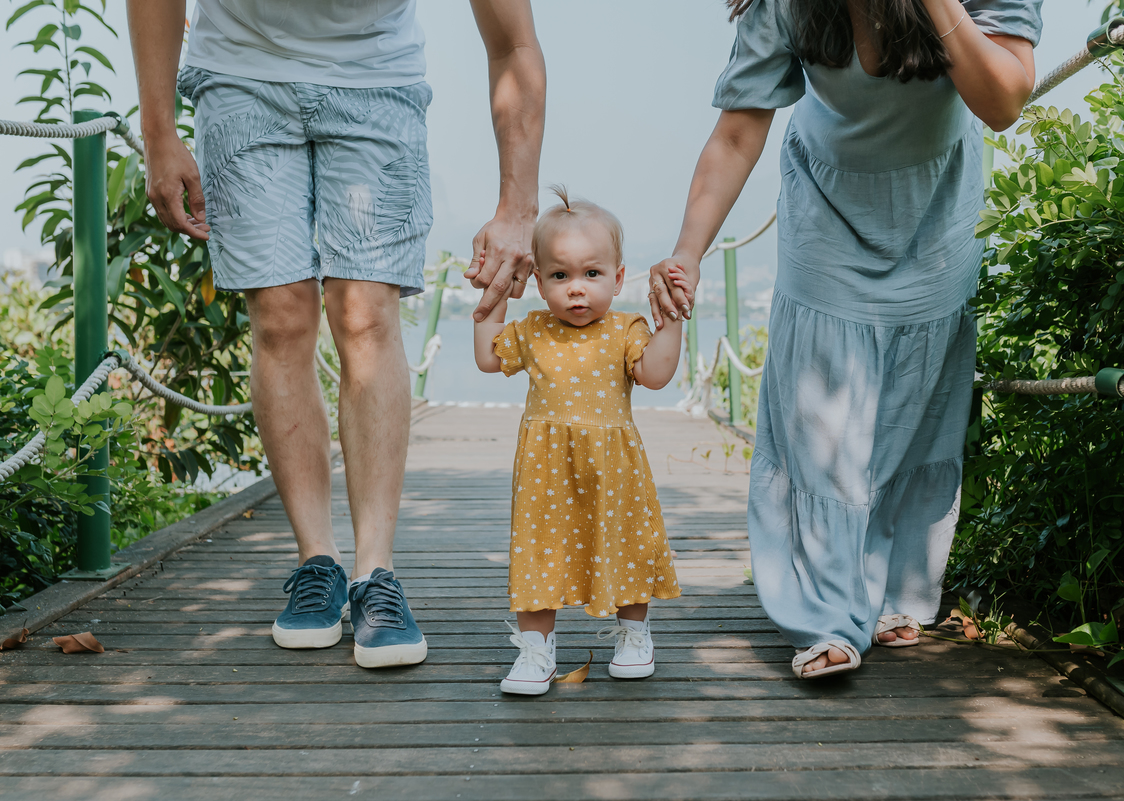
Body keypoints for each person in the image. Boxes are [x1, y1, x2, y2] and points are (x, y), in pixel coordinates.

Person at [127, 0, 546, 668]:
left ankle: (374, 573)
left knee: (366, 313)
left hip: (375, 77)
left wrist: (518, 208)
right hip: (240, 72)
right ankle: (315, 559)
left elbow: (514, 44)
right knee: (282, 315)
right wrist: (159, 131)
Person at [648, 0, 1042, 679]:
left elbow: (1004, 99)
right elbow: (740, 130)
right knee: (823, 416)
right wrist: (689, 250)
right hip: (827, 204)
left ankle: (881, 588)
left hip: (936, 206)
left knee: (911, 404)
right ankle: (826, 616)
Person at [473, 187, 688, 695]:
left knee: (627, 544)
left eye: (591, 274)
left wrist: (672, 321)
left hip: (614, 469)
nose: (576, 289)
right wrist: (496, 290)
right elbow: (488, 356)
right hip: (546, 472)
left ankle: (635, 635)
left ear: (616, 279)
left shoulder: (624, 328)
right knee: (538, 552)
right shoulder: (533, 330)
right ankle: (535, 650)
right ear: (539, 282)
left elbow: (655, 374)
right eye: (560, 275)